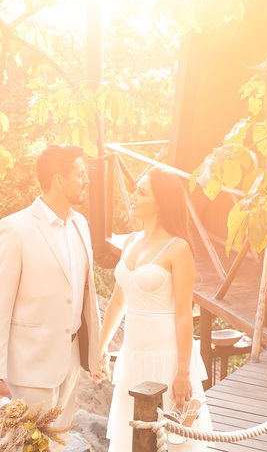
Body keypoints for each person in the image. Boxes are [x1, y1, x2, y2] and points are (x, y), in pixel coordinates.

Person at [0, 144, 103, 449]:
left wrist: (95, 352)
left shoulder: (81, 224)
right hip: (29, 366)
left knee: (58, 445)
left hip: (71, 362)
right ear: (59, 180)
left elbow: (86, 293)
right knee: (25, 448)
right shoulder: (15, 229)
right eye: (80, 174)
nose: (86, 181)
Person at [99, 168, 211, 450]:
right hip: (133, 357)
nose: (133, 197)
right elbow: (117, 301)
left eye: (142, 192)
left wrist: (183, 372)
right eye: (135, 189)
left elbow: (184, 313)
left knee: (173, 442)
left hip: (168, 359)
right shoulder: (130, 242)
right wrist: (99, 348)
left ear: (162, 203)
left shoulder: (178, 249)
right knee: (133, 438)